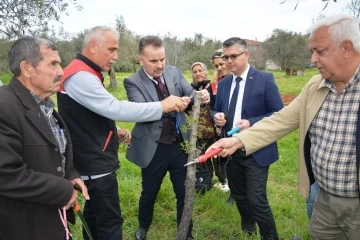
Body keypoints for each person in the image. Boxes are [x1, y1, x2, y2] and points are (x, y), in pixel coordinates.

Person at [208, 14, 360, 239]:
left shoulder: (264, 78)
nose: (313, 59)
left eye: (320, 51)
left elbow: (273, 110)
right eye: (312, 51)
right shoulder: (315, 85)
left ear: (347, 48)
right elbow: (282, 119)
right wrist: (238, 140)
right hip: (322, 197)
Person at [57, 26, 189, 240]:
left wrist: (115, 130)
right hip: (94, 160)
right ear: (92, 46)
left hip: (93, 156)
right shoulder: (81, 75)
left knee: (95, 215)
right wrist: (162, 106)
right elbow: (114, 107)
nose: (116, 57)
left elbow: (91, 113)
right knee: (109, 222)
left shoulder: (86, 72)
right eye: (111, 50)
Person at [0, 36, 88, 240]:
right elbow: (5, 174)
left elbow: (53, 149)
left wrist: (70, 173)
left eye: (60, 63)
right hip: (20, 226)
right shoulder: (4, 107)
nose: (61, 71)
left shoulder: (44, 104)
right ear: (27, 68)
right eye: (53, 64)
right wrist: (62, 189)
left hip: (48, 221)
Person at [123, 35, 210, 240]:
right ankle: (144, 225)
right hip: (154, 149)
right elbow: (140, 110)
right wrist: (169, 103)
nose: (160, 65)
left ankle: (186, 232)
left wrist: (201, 96)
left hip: (180, 146)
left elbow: (190, 92)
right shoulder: (132, 82)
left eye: (162, 59)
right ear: (141, 59)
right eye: (154, 61)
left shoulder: (174, 72)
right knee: (149, 192)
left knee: (184, 191)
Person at [212, 37, 283, 240]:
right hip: (230, 150)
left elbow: (278, 113)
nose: (229, 61)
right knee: (239, 195)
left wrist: (251, 122)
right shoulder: (224, 84)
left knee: (257, 199)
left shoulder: (264, 78)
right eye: (226, 57)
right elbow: (216, 109)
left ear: (246, 55)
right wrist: (216, 117)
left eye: (233, 56)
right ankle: (248, 229)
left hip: (256, 149)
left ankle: (269, 237)